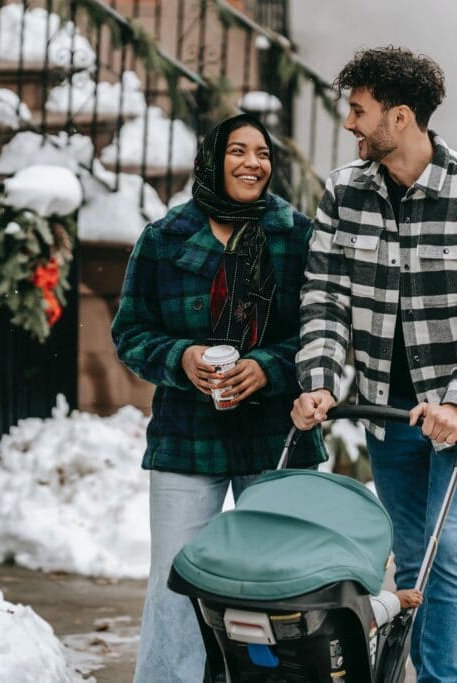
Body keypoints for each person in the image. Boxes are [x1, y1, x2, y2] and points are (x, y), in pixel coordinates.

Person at [291, 47, 457, 682]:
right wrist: (318, 381)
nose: (349, 125)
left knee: (448, 551)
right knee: (413, 555)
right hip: (388, 416)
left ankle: (440, 680)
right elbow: (325, 299)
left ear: (400, 117)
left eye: (358, 111)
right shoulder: (343, 192)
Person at [112, 113, 325, 682]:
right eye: (238, 150)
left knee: (278, 584)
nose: (253, 163)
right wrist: (181, 358)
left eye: (262, 153)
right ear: (212, 159)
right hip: (187, 436)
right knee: (175, 581)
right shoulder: (164, 239)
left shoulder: (295, 235)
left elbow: (322, 332)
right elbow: (130, 333)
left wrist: (268, 367)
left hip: (277, 437)